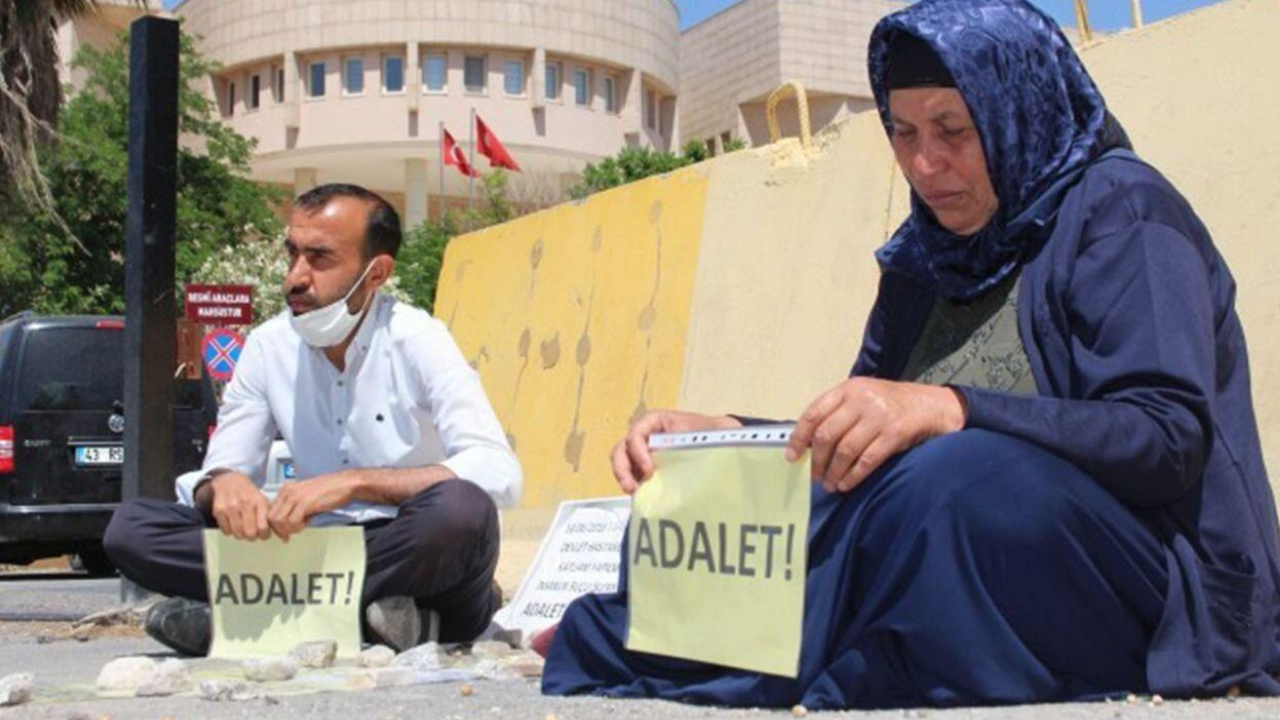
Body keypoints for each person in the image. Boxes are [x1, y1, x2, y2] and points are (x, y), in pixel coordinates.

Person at [542, 0, 1280, 709]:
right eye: (902, 132)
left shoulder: (1123, 212)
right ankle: (693, 638)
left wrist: (953, 409)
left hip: (1152, 590)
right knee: (712, 490)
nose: (925, 164)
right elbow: (863, 447)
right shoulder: (924, 258)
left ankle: (670, 646)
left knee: (950, 481)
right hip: (947, 543)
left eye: (953, 129)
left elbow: (1164, 437)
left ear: (1015, 111)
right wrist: (730, 436)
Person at [104, 183, 522, 656]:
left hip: (404, 547)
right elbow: (222, 468)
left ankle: (256, 619)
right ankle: (370, 623)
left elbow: (498, 471)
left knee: (462, 513)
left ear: (376, 273)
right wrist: (223, 484)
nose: (295, 278)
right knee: (132, 529)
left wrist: (354, 483)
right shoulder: (268, 345)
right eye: (293, 254)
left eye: (320, 258)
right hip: (304, 544)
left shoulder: (419, 338)